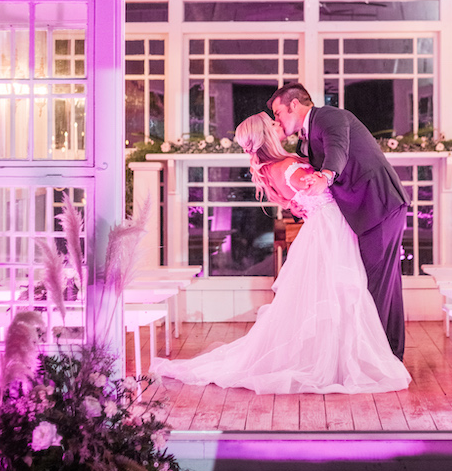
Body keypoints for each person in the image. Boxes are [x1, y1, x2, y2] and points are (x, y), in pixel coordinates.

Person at [151, 112, 410, 394]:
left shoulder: (276, 166)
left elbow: (297, 199)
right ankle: (345, 359)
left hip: (323, 230)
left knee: (333, 295)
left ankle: (344, 355)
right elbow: (317, 192)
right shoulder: (288, 166)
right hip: (330, 230)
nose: (278, 124)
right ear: (267, 134)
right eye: (273, 121)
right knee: (343, 293)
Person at [268, 83, 408, 361]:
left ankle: (377, 358)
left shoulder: (328, 117)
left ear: (293, 105)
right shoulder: (304, 139)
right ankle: (388, 353)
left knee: (377, 284)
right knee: (381, 283)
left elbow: (338, 149)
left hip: (379, 204)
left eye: (278, 113)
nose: (277, 120)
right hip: (365, 211)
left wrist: (327, 175)